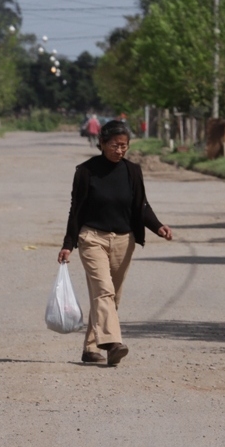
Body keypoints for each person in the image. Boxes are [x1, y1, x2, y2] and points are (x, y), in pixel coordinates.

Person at [57, 120, 173, 366]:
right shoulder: (86, 171)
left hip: (123, 239)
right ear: (102, 143)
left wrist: (158, 226)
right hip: (91, 238)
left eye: (124, 146)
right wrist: (68, 243)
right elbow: (75, 209)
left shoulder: (132, 171)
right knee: (104, 291)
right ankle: (113, 344)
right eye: (114, 145)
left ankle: (90, 347)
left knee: (111, 297)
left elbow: (141, 205)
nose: (120, 150)